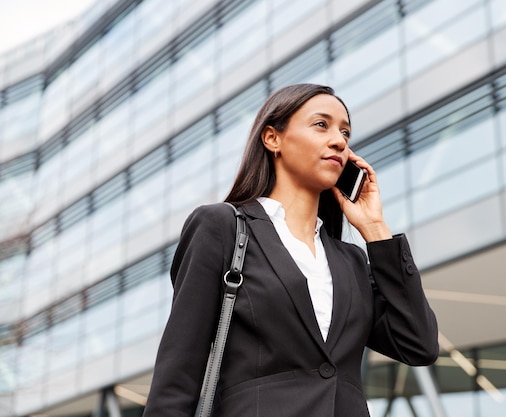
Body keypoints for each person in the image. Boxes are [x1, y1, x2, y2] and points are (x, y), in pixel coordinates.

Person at [142, 84, 439, 417]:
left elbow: (419, 345)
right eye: (321, 125)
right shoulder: (222, 227)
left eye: (345, 132)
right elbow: (178, 370)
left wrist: (375, 230)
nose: (340, 140)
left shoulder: (351, 261)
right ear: (273, 139)